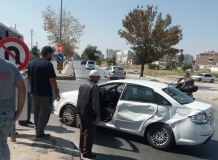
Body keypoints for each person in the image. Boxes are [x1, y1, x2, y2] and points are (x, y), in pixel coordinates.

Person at [28, 46, 60, 139]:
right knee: (44, 114)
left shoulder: (32, 63)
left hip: (34, 93)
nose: (52, 56)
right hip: (45, 94)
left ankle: (37, 129)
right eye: (52, 55)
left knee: (36, 112)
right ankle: (39, 133)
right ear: (49, 54)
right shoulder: (48, 64)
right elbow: (52, 80)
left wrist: (33, 86)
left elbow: (28, 77)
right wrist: (57, 92)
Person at [0, 58, 26, 160]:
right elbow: (22, 90)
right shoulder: (10, 66)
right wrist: (19, 110)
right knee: (3, 143)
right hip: (7, 114)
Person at [76, 70, 101, 159]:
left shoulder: (83, 85)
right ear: (93, 77)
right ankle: (87, 153)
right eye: (98, 77)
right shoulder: (94, 87)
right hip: (90, 114)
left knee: (83, 131)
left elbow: (79, 98)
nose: (99, 78)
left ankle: (82, 148)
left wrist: (78, 110)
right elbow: (95, 103)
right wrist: (97, 115)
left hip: (82, 112)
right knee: (89, 133)